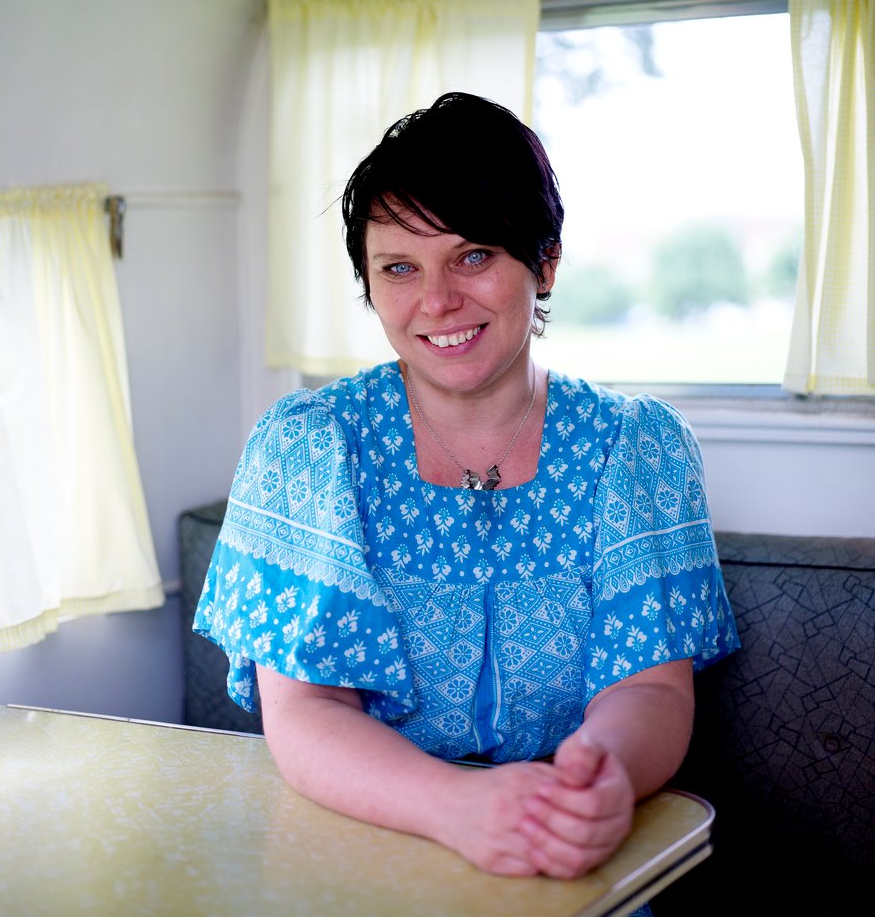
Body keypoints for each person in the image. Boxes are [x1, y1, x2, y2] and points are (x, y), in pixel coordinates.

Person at [194, 91, 739, 893]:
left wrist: (598, 779)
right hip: (358, 845)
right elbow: (305, 711)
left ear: (545, 261)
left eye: (474, 256)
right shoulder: (309, 447)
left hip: (557, 847)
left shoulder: (635, 446)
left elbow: (651, 689)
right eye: (399, 268)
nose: (437, 301)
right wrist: (457, 806)